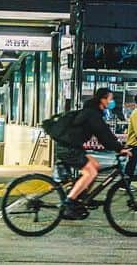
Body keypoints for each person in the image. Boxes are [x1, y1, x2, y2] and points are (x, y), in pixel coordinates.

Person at [51, 88, 131, 221]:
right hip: (68, 148)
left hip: (71, 146)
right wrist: (119, 148)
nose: (111, 102)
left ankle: (83, 197)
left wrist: (117, 147)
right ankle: (70, 202)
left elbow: (103, 134)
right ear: (102, 100)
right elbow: (103, 134)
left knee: (95, 165)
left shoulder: (93, 113)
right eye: (110, 99)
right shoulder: (92, 114)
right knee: (90, 172)